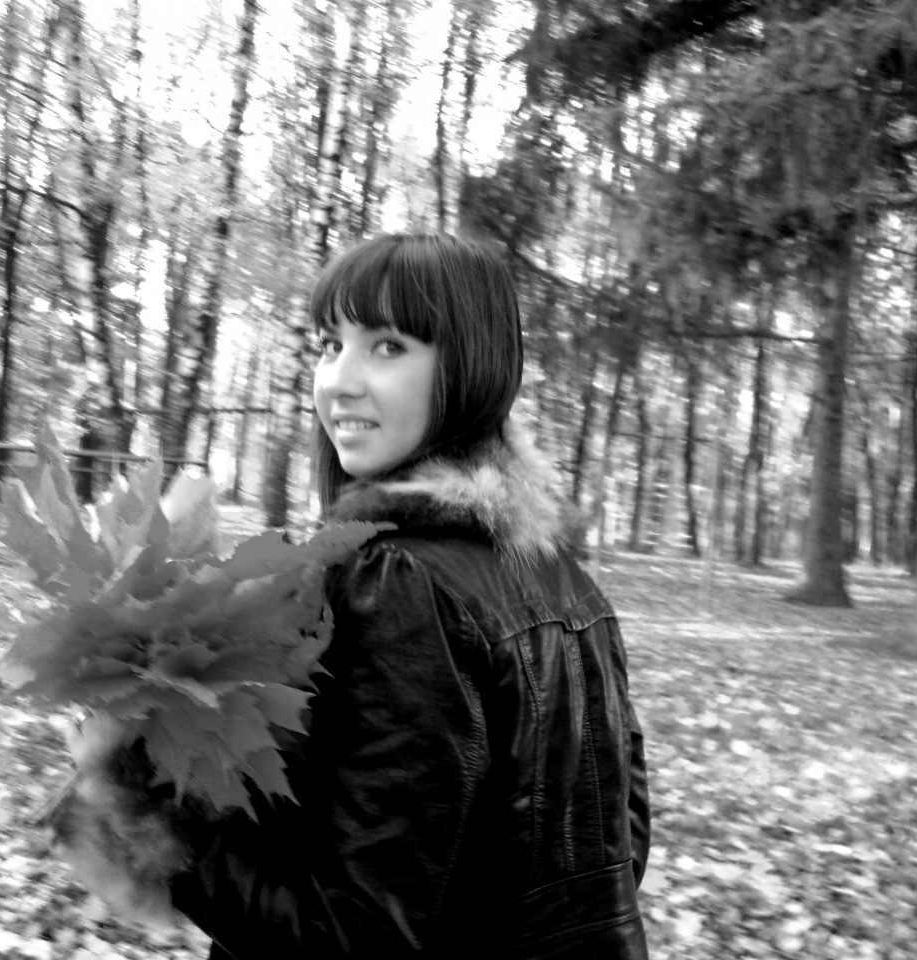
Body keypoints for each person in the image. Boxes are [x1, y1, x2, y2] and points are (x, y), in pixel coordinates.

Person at [54, 233, 651, 959]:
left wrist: (134, 794)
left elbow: (351, 937)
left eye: (389, 347)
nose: (339, 380)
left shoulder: (401, 581)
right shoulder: (561, 574)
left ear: (469, 367)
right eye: (330, 345)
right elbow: (618, 850)